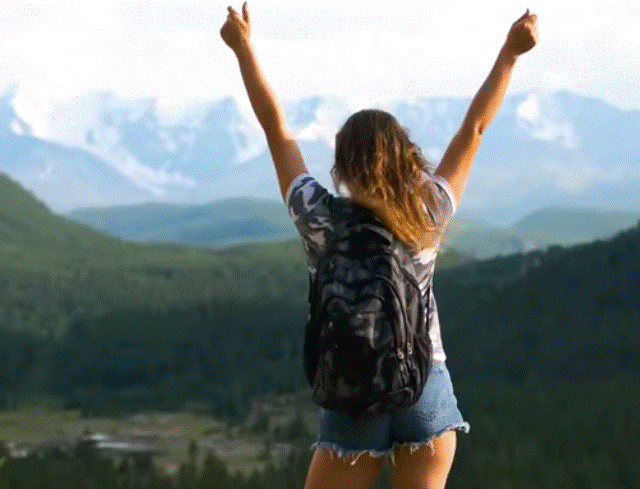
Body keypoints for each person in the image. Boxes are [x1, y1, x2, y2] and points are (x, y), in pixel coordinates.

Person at [220, 4, 537, 488]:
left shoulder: (318, 216)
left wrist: (243, 48)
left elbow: (276, 130)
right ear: (405, 155)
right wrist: (510, 54)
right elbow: (473, 129)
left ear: (342, 165)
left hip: (351, 389)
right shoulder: (427, 211)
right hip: (424, 385)